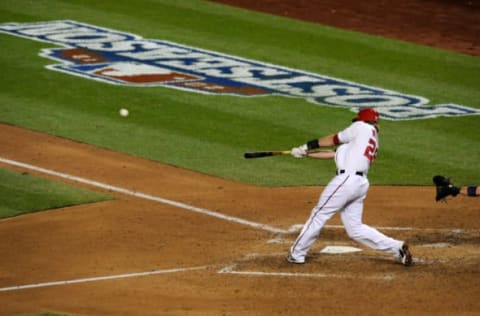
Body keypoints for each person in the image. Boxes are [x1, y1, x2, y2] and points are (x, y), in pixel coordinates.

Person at [287, 107, 413, 266]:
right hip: (359, 184)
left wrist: (307, 146)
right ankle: (397, 248)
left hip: (346, 181)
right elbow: (333, 153)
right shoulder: (366, 138)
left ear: (362, 119)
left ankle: (297, 253)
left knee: (319, 214)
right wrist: (304, 154)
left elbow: (334, 139)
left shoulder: (361, 127)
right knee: (355, 229)